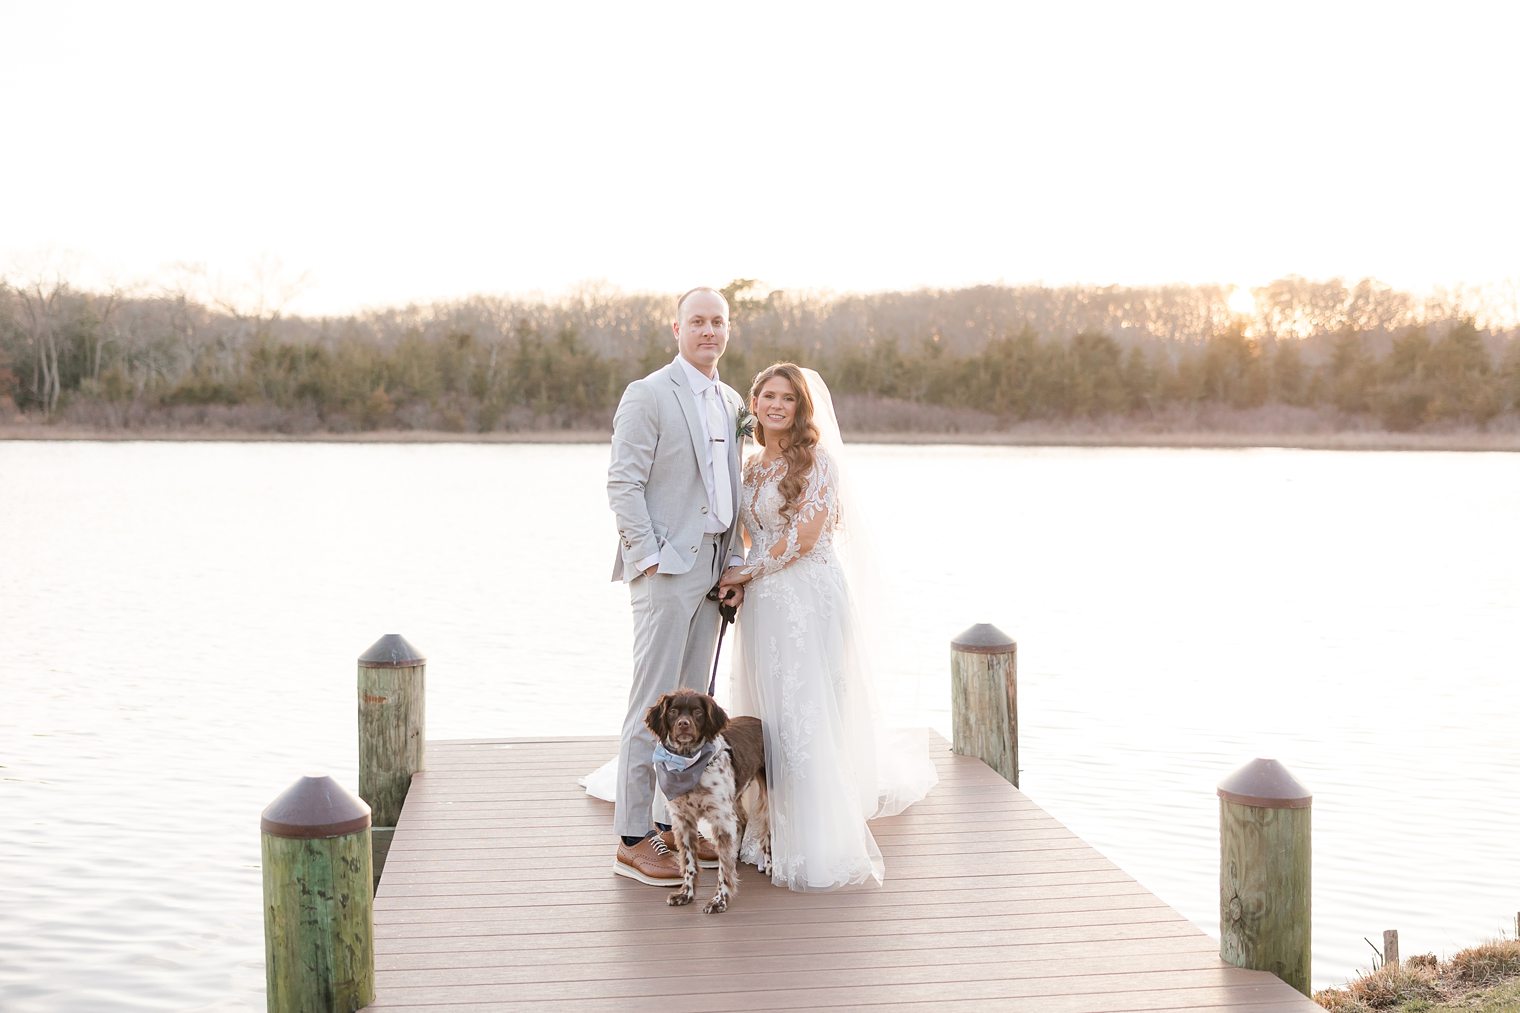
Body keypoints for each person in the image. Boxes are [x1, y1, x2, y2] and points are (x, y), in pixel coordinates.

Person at [717, 363, 938, 891]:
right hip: (764, 602)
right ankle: (765, 827)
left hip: (808, 598)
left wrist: (744, 570)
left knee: (806, 709)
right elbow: (750, 537)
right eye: (766, 396)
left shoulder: (817, 462)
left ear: (800, 408)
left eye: (786, 398)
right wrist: (741, 581)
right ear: (754, 404)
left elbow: (807, 536)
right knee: (768, 711)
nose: (775, 405)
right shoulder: (748, 467)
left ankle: (814, 835)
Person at [604, 286, 747, 886]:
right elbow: (622, 482)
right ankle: (633, 836)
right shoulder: (648, 394)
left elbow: (730, 488)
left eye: (718, 322)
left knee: (694, 706)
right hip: (667, 570)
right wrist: (650, 558)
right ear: (676, 328)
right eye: (697, 321)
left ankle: (672, 826)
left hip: (715, 568)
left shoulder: (732, 398)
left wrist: (734, 562)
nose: (709, 331)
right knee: (654, 704)